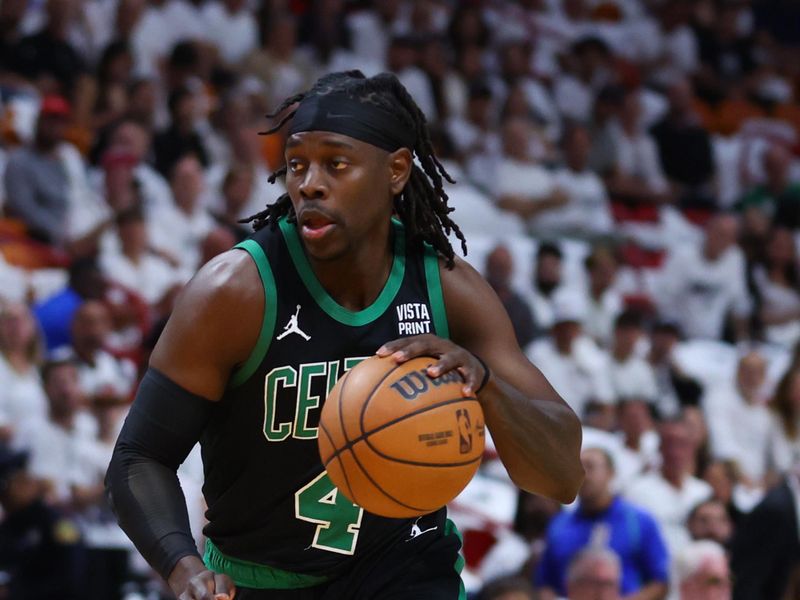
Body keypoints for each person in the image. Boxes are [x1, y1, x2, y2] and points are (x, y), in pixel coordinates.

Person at [106, 71, 584, 600]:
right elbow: (138, 457)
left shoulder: (446, 288)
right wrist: (182, 566)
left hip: (406, 563)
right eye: (296, 164)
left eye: (336, 163)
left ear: (396, 171)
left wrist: (487, 386)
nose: (309, 182)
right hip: (261, 578)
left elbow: (561, 477)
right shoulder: (235, 293)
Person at [535, 448, 669, 600]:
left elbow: (660, 582)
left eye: (590, 467)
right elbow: (544, 583)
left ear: (611, 473)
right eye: (578, 469)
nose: (583, 475)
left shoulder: (640, 521)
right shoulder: (559, 525)